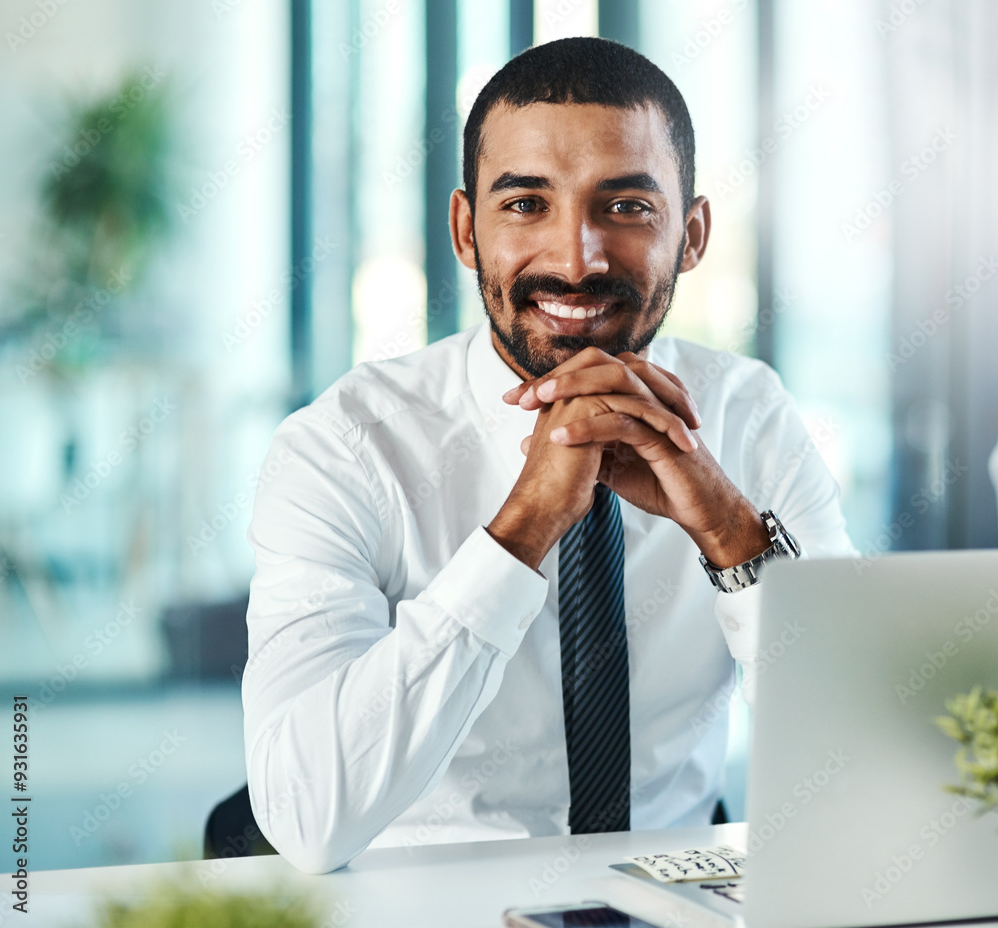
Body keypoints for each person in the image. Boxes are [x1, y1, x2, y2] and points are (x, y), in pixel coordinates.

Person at [241, 36, 855, 874]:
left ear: (694, 233)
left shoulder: (750, 415)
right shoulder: (343, 448)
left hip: (681, 899)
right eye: (526, 205)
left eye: (628, 207)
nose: (577, 260)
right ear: (466, 230)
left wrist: (732, 533)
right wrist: (523, 530)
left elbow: (869, 762)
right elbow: (306, 819)